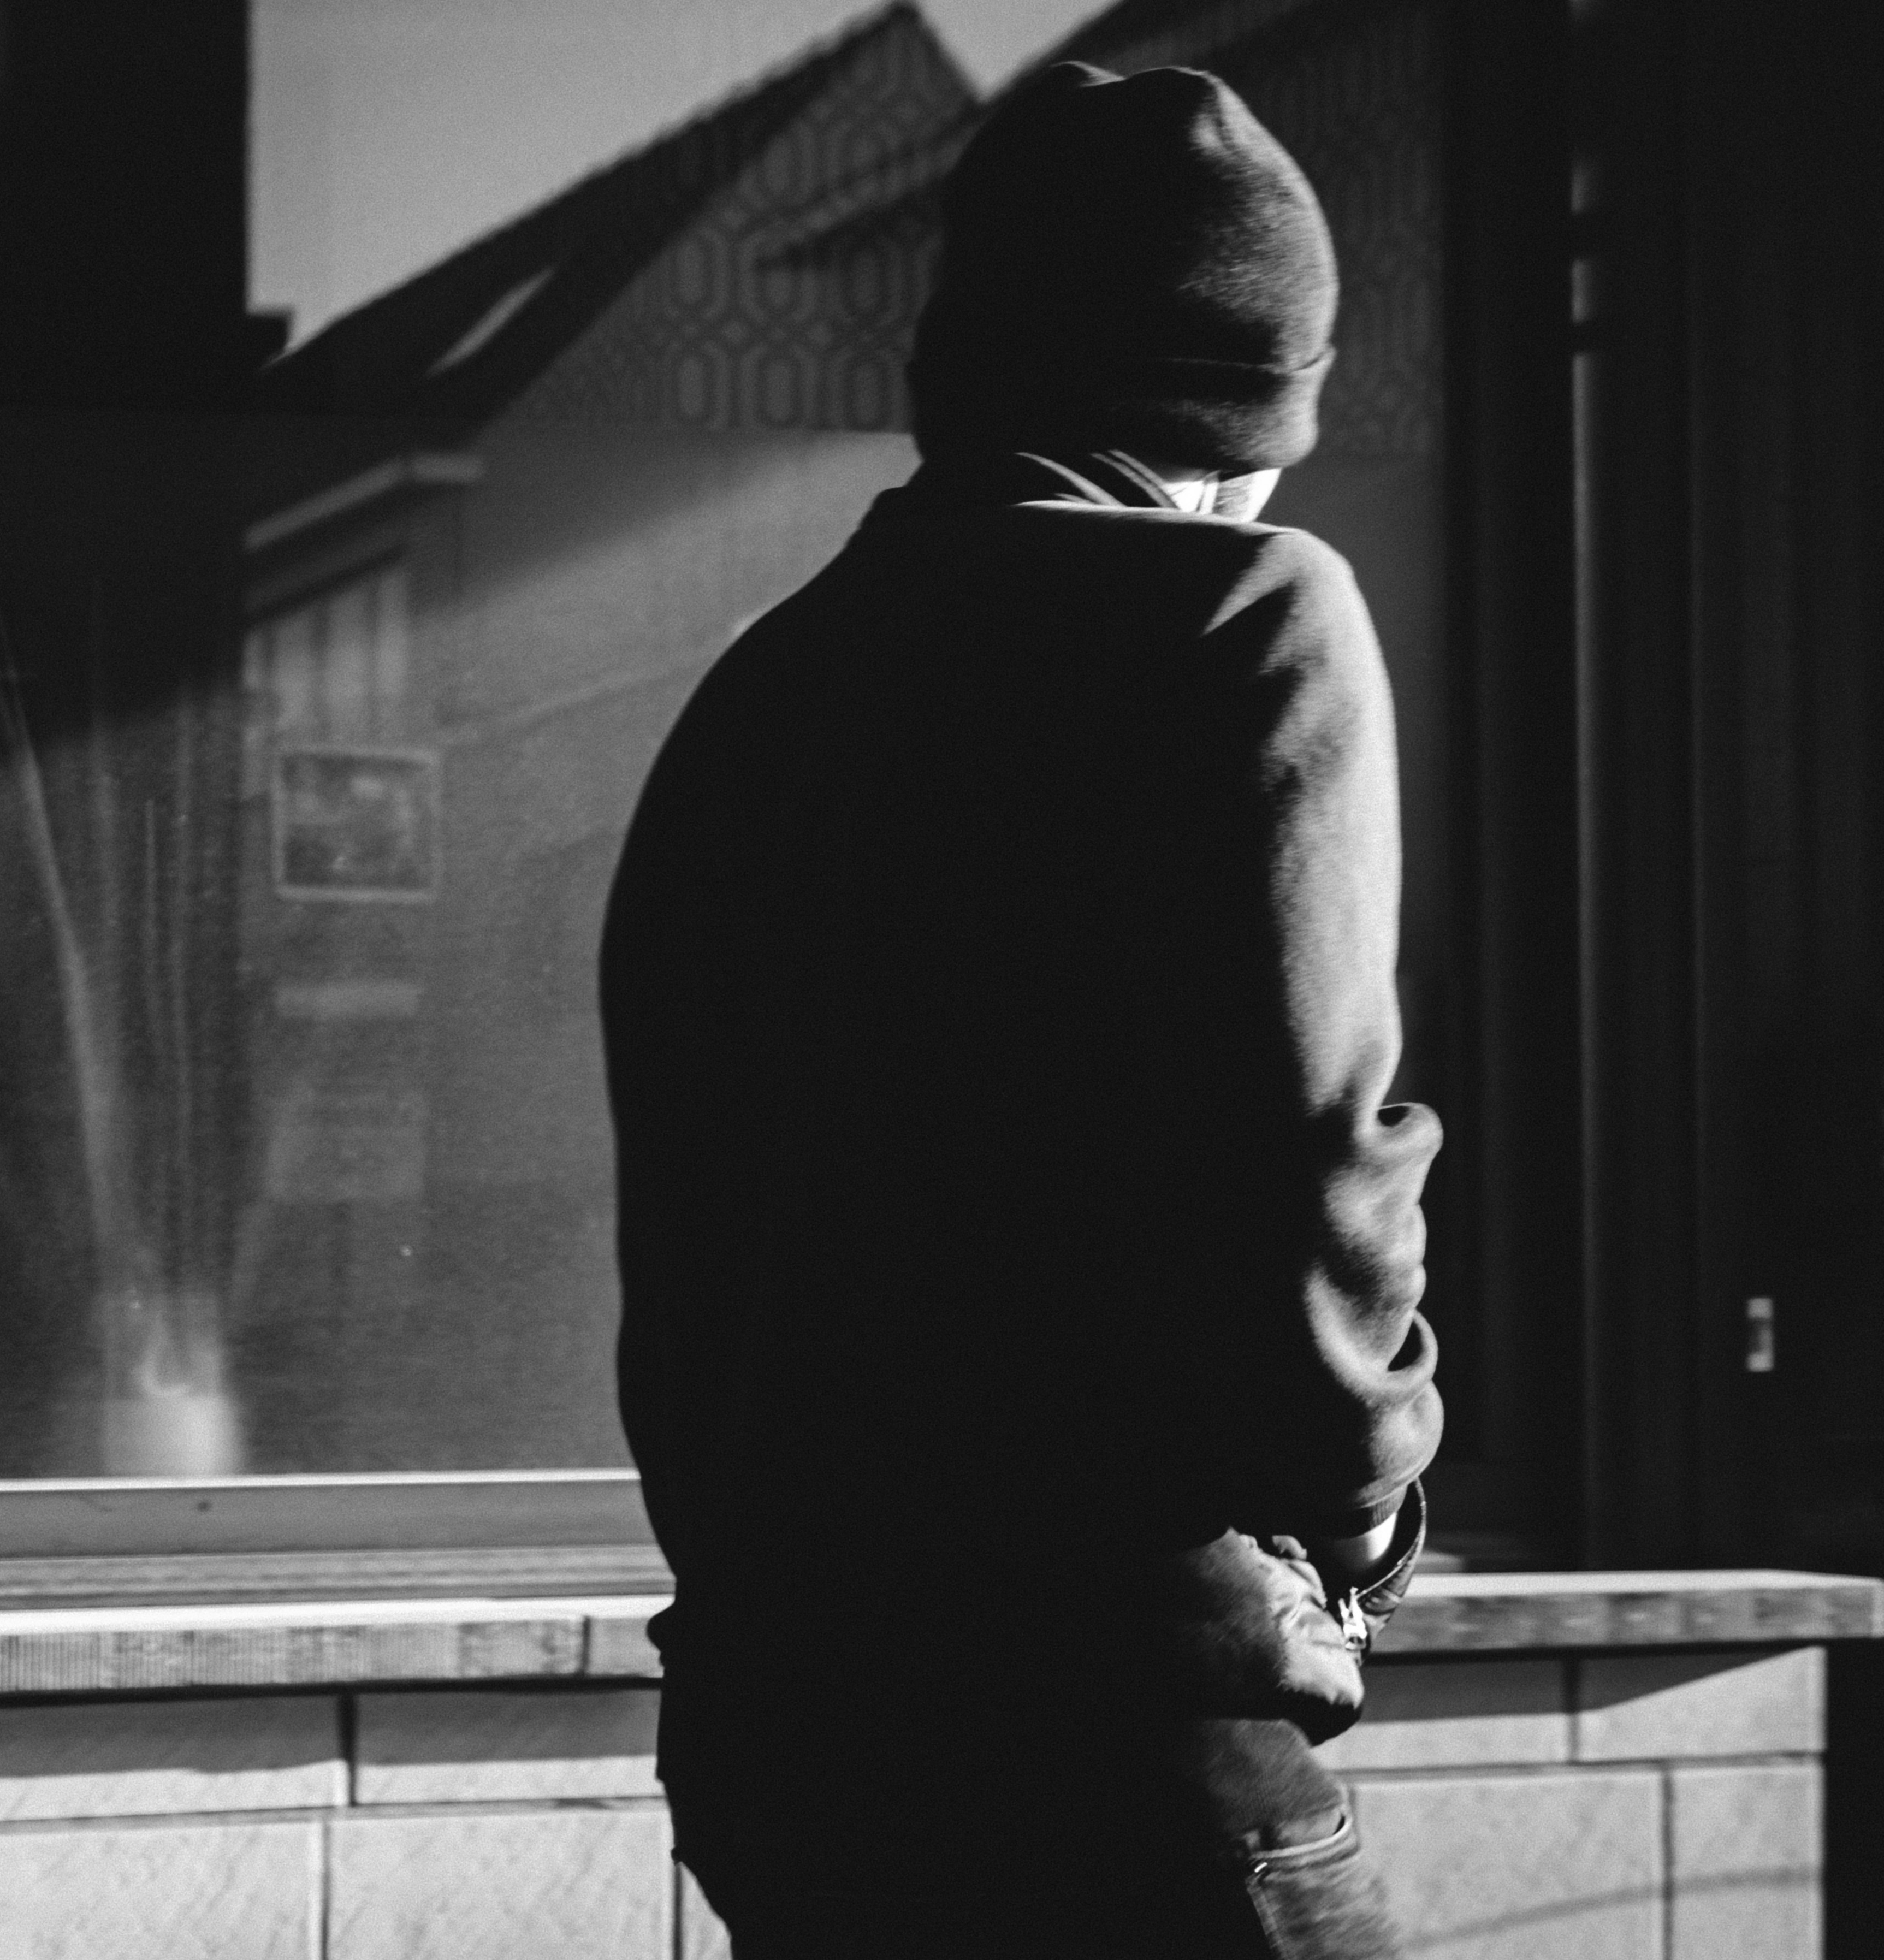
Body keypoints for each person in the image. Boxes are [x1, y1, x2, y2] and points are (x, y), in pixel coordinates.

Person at [598, 63, 1441, 1957]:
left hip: (791, 1730)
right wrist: (1369, 1497)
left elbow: (685, 1261)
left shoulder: (760, 694)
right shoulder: (1244, 610)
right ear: (1233, 393)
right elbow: (1308, 1166)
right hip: (1121, 1724)